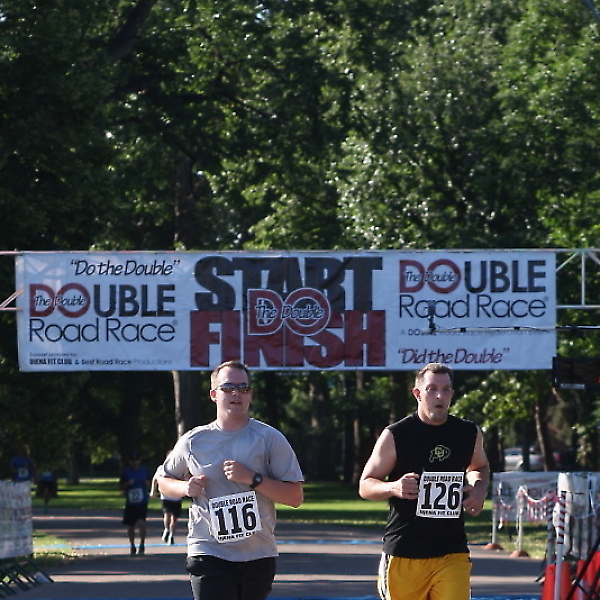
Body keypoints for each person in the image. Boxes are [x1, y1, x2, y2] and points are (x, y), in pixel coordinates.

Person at [156, 360, 304, 600]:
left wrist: (253, 478)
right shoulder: (194, 441)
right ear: (214, 395)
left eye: (243, 388)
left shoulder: (269, 438)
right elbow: (163, 481)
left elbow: (295, 497)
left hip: (257, 554)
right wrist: (185, 487)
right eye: (228, 388)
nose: (236, 393)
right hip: (208, 551)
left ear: (251, 395)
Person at [359, 362, 490, 600]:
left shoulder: (468, 433)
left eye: (446, 389)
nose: (439, 396)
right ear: (417, 394)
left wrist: (479, 488)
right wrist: (393, 487)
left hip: (452, 551)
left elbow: (479, 467)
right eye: (431, 389)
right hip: (405, 553)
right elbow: (366, 484)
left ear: (452, 394)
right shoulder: (396, 435)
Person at [119, 451, 150, 556]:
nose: (135, 462)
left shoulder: (144, 471)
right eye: (133, 460)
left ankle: (142, 544)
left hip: (142, 502)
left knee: (141, 523)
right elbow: (120, 487)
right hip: (131, 503)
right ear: (129, 461)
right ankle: (132, 545)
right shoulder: (126, 472)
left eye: (137, 460)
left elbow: (151, 482)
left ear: (139, 461)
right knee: (131, 525)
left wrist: (147, 483)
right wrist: (127, 484)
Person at [151, 461, 183, 545]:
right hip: (166, 496)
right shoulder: (162, 468)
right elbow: (155, 479)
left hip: (177, 497)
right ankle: (167, 529)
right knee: (167, 514)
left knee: (175, 518)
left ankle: (171, 535)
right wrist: (153, 491)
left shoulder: (180, 468)